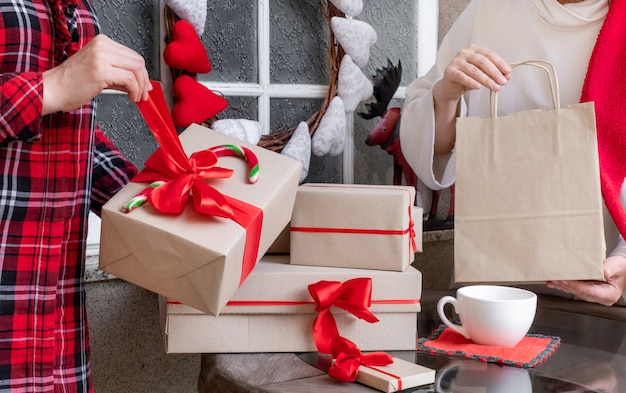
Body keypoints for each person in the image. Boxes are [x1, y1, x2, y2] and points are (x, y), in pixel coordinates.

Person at [399, 0, 626, 306]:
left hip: (601, 287)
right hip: (491, 290)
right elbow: (432, 151)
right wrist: (447, 93)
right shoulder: (490, 10)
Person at [1, 0, 151, 391]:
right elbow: (56, 93)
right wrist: (52, 86)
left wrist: (144, 201)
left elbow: (67, 128)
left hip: (57, 329)